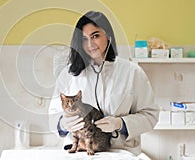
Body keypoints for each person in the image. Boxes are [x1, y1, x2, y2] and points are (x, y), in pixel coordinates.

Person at [48, 11, 159, 155]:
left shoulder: (132, 72)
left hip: (121, 152)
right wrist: (62, 124)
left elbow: (151, 115)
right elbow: (53, 116)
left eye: (95, 36)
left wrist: (121, 124)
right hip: (81, 153)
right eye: (84, 39)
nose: (90, 44)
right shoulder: (69, 74)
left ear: (108, 36)